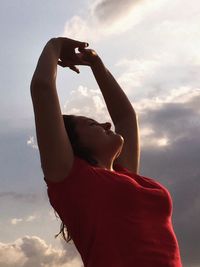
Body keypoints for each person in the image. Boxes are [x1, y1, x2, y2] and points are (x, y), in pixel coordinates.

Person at [31, 37, 182, 267]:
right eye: (92, 124)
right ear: (73, 145)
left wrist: (96, 64)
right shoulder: (70, 177)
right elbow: (42, 88)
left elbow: (125, 117)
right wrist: (56, 45)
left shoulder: (126, 174)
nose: (106, 125)